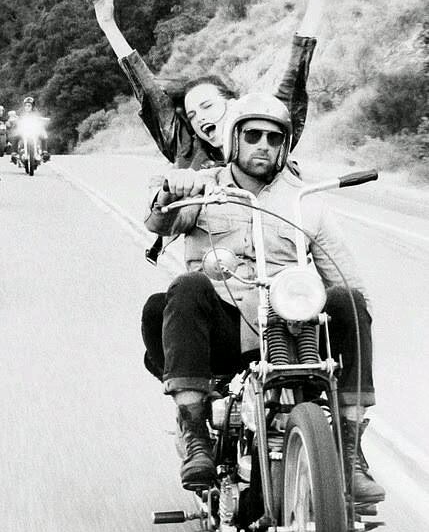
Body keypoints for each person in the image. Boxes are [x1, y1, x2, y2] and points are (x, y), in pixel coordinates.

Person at [142, 92, 386, 506]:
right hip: (223, 331)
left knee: (348, 298)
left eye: (274, 139)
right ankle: (196, 436)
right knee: (186, 286)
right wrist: (171, 192)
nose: (264, 145)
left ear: (284, 146)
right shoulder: (205, 188)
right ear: (233, 140)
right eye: (253, 135)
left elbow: (346, 277)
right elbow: (159, 222)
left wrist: (354, 320)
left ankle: (350, 453)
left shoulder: (306, 201)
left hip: (291, 329)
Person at [85, 0, 324, 261]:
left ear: (234, 106)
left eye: (208, 106)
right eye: (193, 114)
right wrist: (108, 24)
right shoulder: (186, 148)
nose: (200, 117)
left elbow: (297, 67)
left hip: (276, 259)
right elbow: (148, 91)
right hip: (215, 262)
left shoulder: (266, 133)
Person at [10, 96, 50, 164]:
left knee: (44, 134)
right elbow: (16, 118)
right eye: (26, 106)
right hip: (23, 130)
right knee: (15, 135)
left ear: (32, 106)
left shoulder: (36, 113)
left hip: (34, 130)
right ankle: (14, 153)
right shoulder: (21, 112)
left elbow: (40, 119)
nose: (27, 107)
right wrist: (14, 120)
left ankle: (44, 152)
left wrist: (44, 119)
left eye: (29, 106)